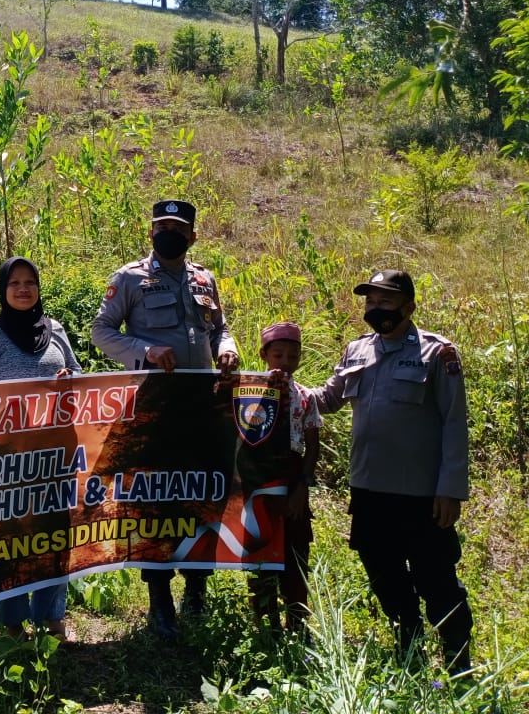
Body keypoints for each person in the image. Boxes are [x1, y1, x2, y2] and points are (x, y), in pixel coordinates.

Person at [308, 269, 473, 674]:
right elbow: (325, 400)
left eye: (385, 300)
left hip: (421, 495)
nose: (376, 308)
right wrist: (275, 386)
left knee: (436, 580)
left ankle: (458, 660)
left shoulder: (438, 354)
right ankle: (408, 646)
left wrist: (450, 490)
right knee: (383, 574)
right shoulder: (357, 351)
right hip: (369, 489)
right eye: (370, 301)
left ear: (409, 306)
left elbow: (455, 424)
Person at [91, 199, 239, 640]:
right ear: (151, 231)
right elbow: (102, 332)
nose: (167, 233)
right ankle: (160, 600)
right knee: (154, 499)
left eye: (177, 227)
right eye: (161, 226)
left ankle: (197, 589)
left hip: (202, 406)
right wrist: (147, 351)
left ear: (192, 236)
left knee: (202, 493)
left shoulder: (204, 279)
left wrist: (227, 347)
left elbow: (219, 328)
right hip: (153, 405)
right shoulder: (130, 278)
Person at [0, 256, 82, 642]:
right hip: (9, 456)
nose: (22, 289)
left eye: (29, 281)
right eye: (14, 282)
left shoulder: (57, 329)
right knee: (9, 535)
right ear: (3, 289)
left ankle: (51, 618)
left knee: (54, 535)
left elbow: (79, 374)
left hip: (55, 452)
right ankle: (12, 623)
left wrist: (69, 381)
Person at [249, 321, 320, 633]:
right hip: (260, 480)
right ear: (265, 355)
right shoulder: (248, 391)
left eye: (293, 356)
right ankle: (266, 626)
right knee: (260, 551)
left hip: (293, 479)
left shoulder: (305, 396)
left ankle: (297, 623)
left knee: (295, 553)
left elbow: (312, 446)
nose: (286, 363)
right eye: (278, 355)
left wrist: (302, 488)